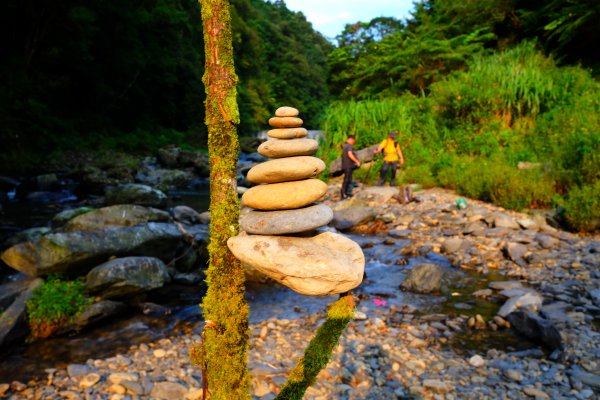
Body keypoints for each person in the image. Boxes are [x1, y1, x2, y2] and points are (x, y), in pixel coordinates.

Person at [341, 135, 360, 199]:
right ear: (351, 139)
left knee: (349, 180)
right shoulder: (348, 146)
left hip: (347, 166)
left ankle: (347, 193)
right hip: (348, 166)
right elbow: (350, 154)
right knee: (347, 180)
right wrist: (357, 161)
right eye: (353, 141)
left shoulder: (345, 145)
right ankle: (343, 194)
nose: (353, 143)